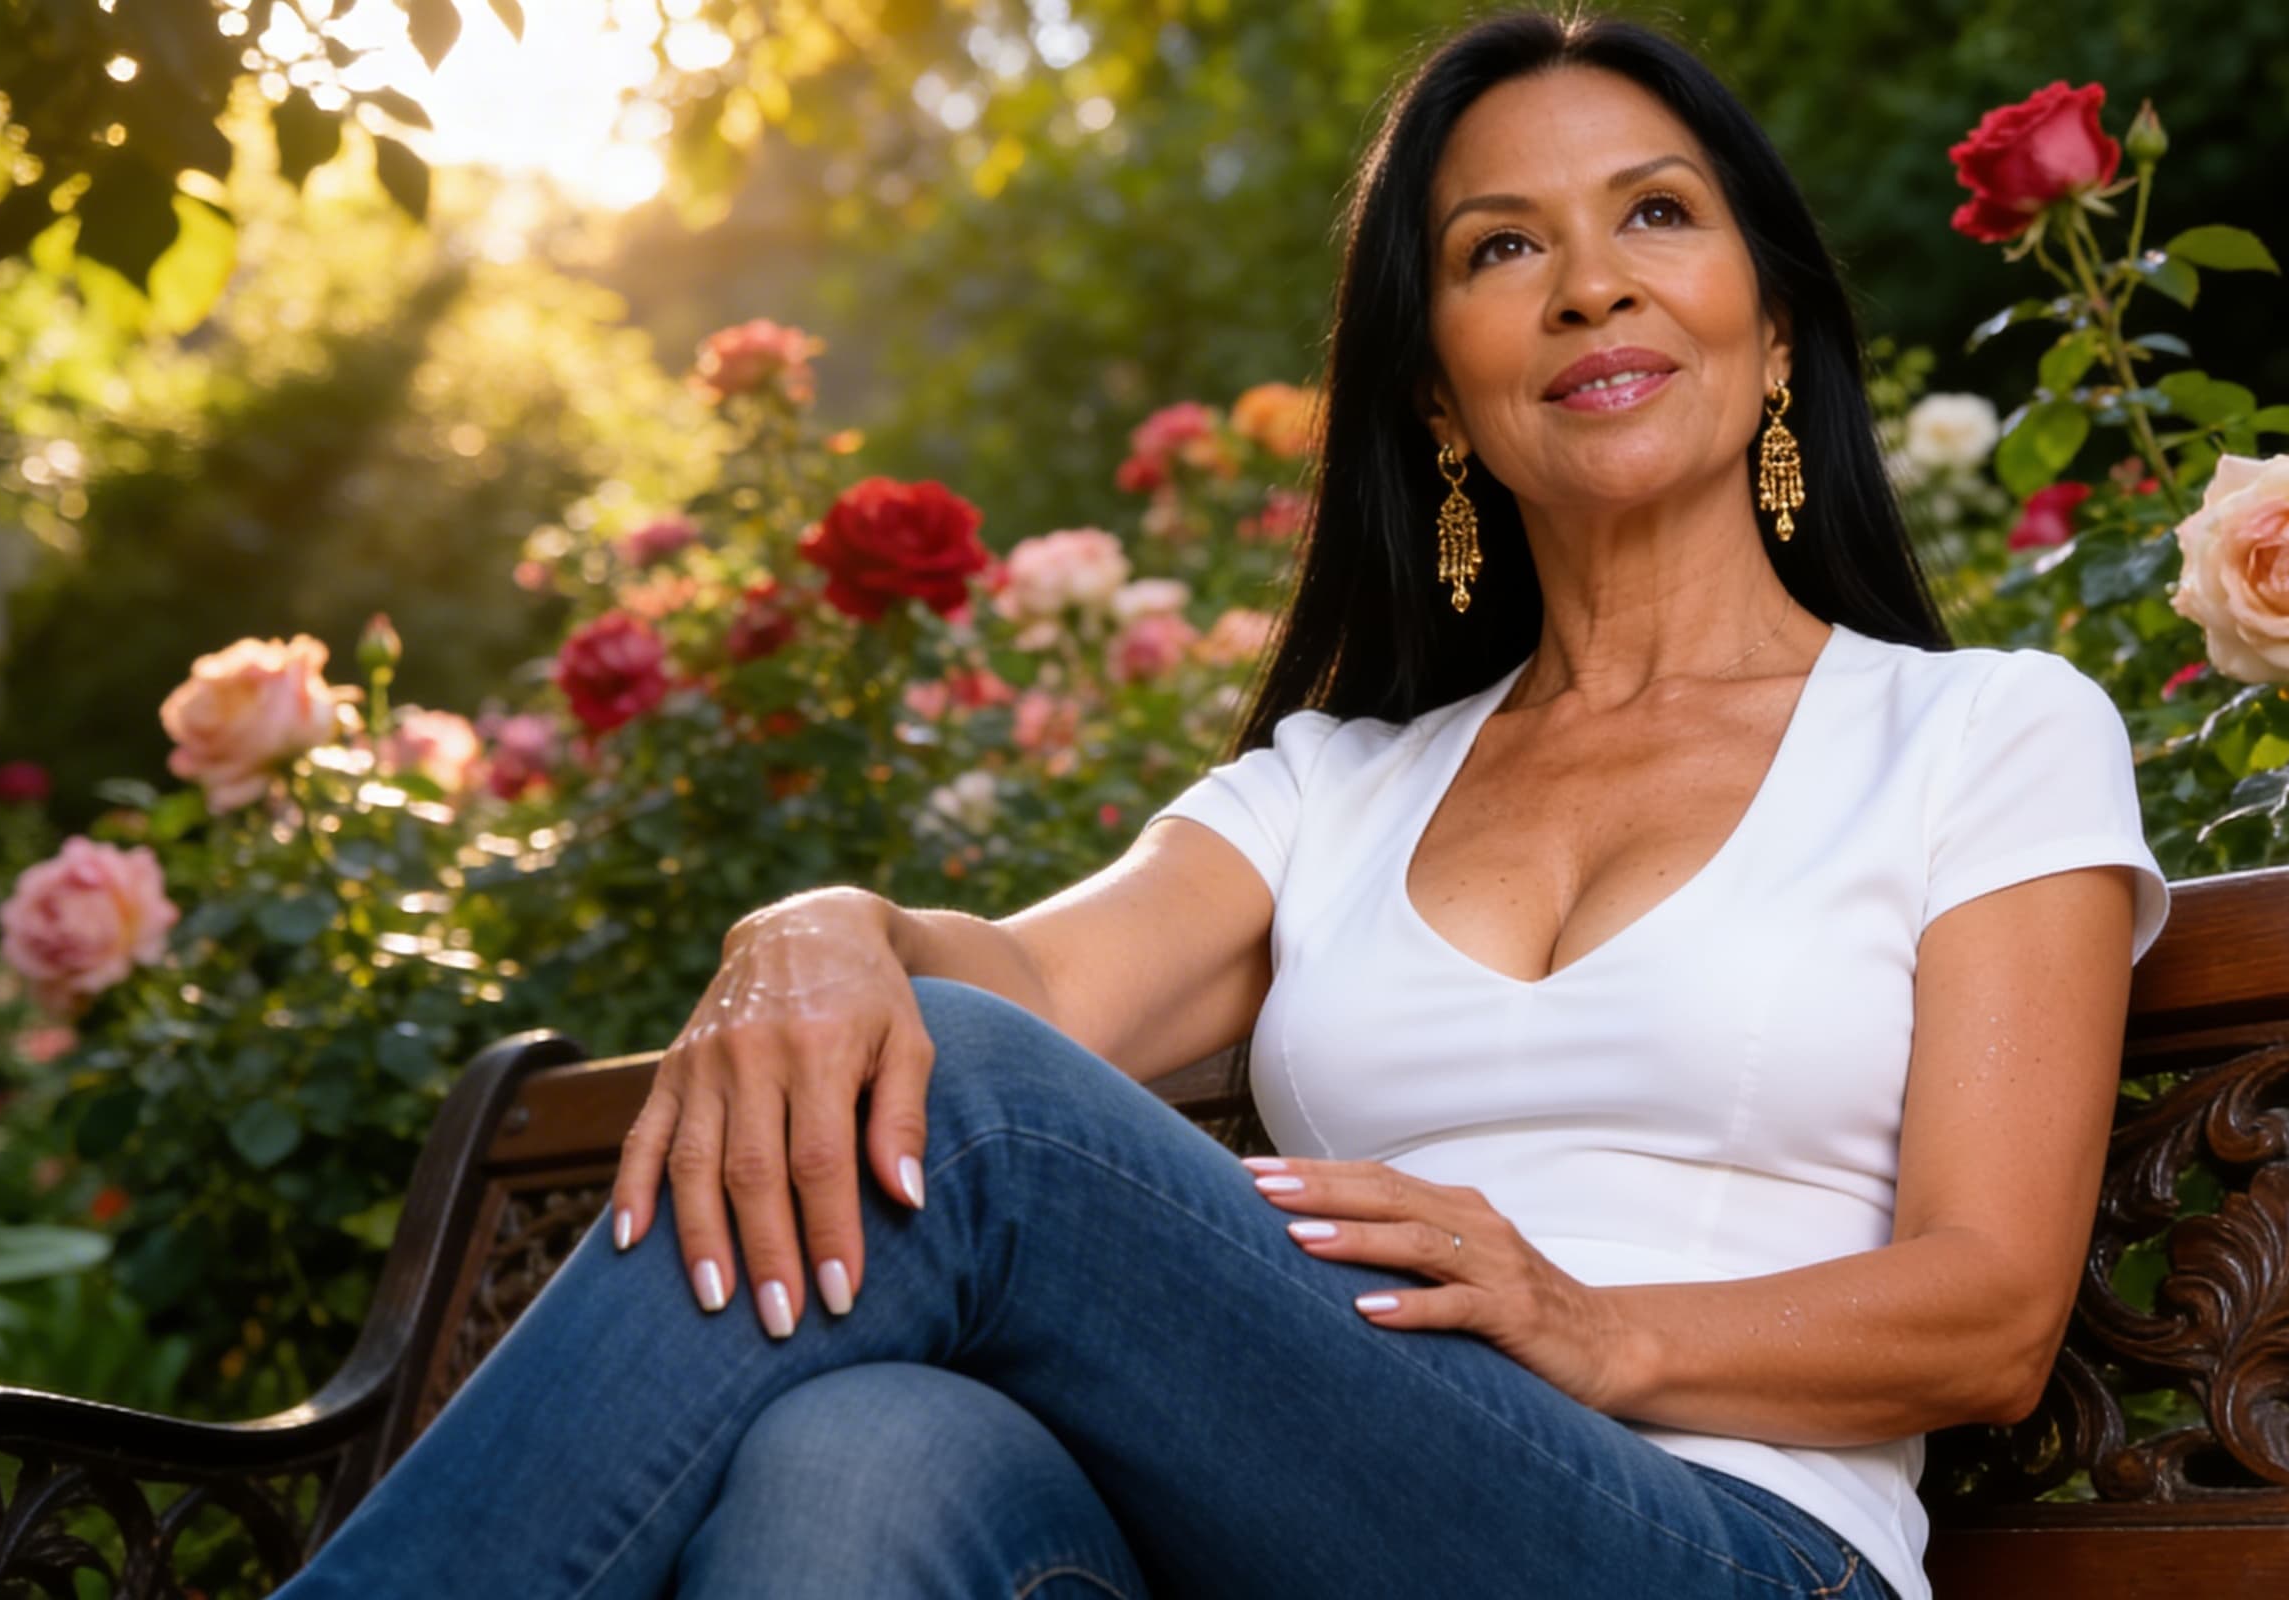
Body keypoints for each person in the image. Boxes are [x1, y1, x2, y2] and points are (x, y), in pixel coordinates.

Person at [271, 7, 2169, 1598]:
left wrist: (1604, 1325)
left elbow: (1992, 1312)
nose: (1588, 279)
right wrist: (820, 925)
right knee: (861, 1459)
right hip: (1309, 1524)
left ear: (1769, 333)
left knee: (973, 1119)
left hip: (1729, 1542)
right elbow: (1020, 985)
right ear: (1441, 399)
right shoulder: (1337, 786)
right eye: (1502, 246)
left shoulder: (1981, 732)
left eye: (1656, 216)